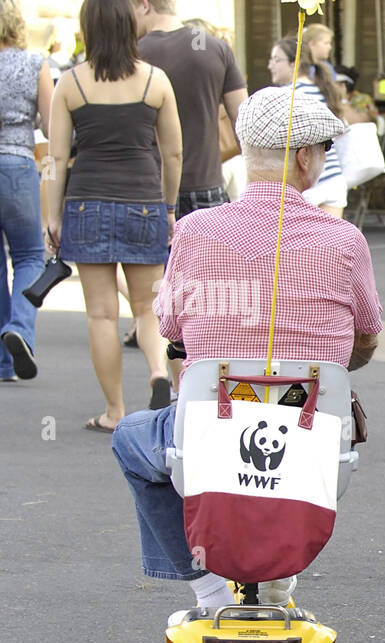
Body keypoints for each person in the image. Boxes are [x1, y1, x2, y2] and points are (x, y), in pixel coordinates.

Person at [111, 86, 382, 608]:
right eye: (324, 150)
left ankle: (210, 592)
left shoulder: (194, 231)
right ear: (304, 157)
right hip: (313, 438)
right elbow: (366, 337)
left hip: (211, 430)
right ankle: (276, 584)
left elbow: (169, 323)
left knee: (131, 437)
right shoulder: (344, 241)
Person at [45, 0, 181, 432]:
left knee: (102, 314)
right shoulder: (155, 81)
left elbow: (56, 157)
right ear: (129, 26)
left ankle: (114, 411)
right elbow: (173, 153)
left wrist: (52, 217)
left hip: (86, 203)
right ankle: (159, 373)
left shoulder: (70, 84)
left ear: (88, 28)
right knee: (148, 308)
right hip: (144, 201)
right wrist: (170, 206)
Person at [135, 0, 246, 219]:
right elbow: (245, 121)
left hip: (151, 188)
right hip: (207, 185)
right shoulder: (216, 47)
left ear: (145, 5)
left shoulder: (134, 54)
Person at [0, 0, 53, 382]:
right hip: (18, 166)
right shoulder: (35, 64)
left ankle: (3, 363)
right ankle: (20, 326)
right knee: (31, 255)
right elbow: (51, 128)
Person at [269, 33, 347, 217]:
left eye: (276, 59)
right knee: (329, 245)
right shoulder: (324, 89)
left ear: (292, 63)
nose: (270, 65)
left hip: (304, 183)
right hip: (333, 179)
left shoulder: (286, 95)